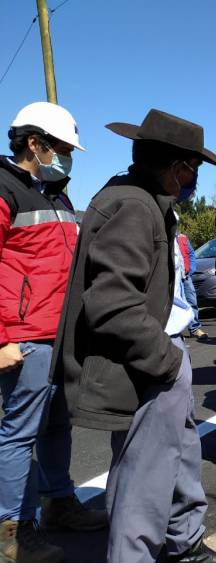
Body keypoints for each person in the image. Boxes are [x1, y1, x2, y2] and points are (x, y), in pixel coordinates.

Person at [50, 109, 216, 563]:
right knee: (145, 478)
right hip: (147, 361)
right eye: (192, 170)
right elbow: (112, 304)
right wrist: (167, 361)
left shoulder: (144, 200)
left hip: (161, 352)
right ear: (177, 168)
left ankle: (184, 545)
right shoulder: (134, 207)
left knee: (179, 459)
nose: (192, 180)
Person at [0, 102, 107, 563]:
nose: (67, 158)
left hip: (61, 332)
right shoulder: (4, 187)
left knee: (59, 423)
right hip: (24, 335)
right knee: (18, 435)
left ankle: (60, 503)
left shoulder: (54, 193)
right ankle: (13, 533)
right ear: (33, 143)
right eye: (61, 149)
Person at [178, 231, 208, 341]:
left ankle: (194, 329)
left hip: (186, 277)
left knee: (192, 301)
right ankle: (176, 333)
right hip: (173, 279)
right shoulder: (166, 238)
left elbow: (191, 254)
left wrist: (191, 270)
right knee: (176, 305)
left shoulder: (183, 238)